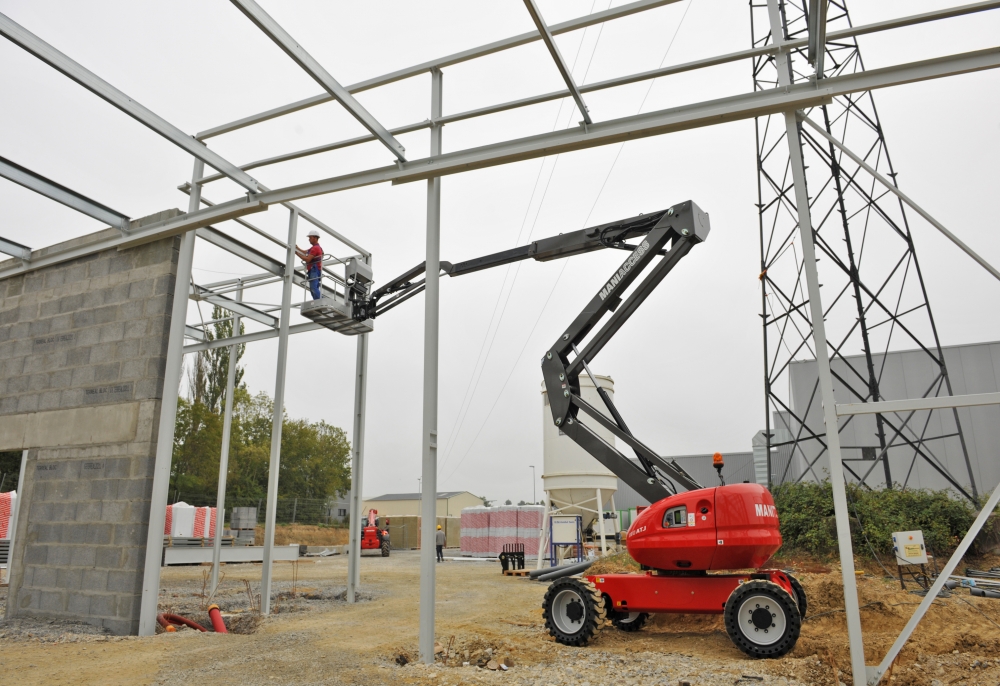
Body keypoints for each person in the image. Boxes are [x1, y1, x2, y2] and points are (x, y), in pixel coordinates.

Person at [295, 229, 323, 299]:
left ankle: (321, 301)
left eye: (310, 238)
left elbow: (308, 259)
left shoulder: (315, 248)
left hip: (314, 270)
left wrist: (297, 253)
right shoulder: (314, 248)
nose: (309, 239)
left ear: (315, 238)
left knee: (313, 288)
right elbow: (305, 252)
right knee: (313, 289)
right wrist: (297, 248)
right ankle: (318, 302)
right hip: (315, 270)